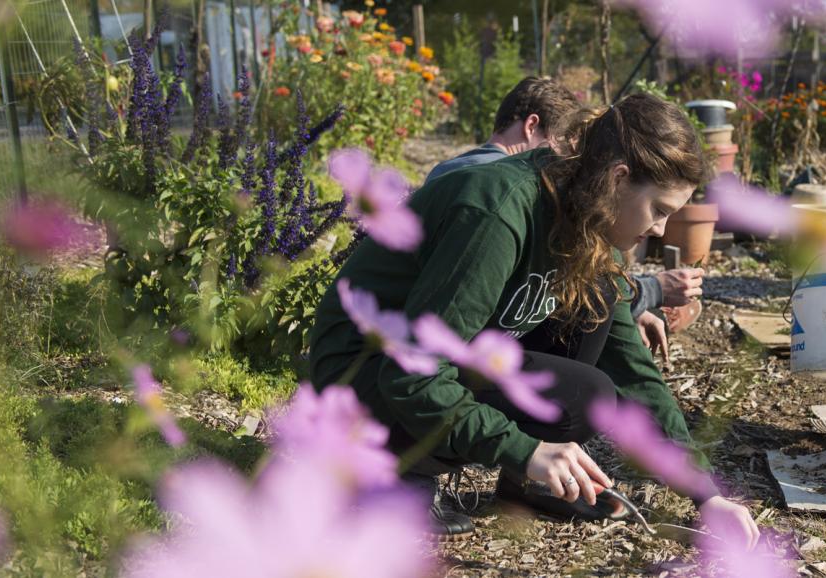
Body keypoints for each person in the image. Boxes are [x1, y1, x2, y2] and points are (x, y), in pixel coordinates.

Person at [307, 93, 760, 546]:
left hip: (435, 362)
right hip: (363, 379)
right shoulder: (498, 213)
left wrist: (705, 494)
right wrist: (524, 450)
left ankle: (527, 485)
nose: (660, 229)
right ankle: (395, 471)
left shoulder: (590, 218)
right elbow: (412, 374)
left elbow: (632, 371)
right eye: (659, 210)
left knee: (589, 372)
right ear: (619, 178)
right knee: (580, 389)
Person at [427, 76, 705, 360]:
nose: (566, 157)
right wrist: (650, 291)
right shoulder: (499, 195)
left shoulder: (514, 185)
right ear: (531, 126)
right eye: (557, 141)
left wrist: (633, 307)